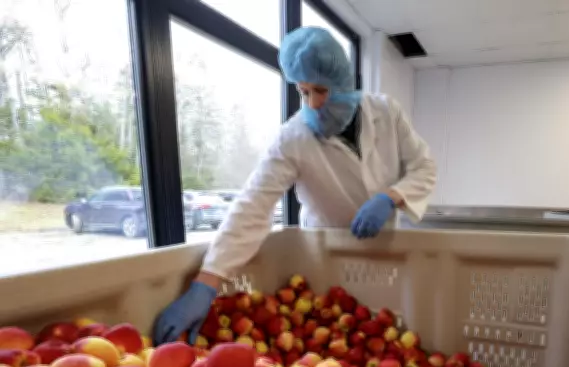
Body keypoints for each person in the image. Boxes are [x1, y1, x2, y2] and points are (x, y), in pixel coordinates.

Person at [153, 26, 437, 345]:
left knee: (385, 334)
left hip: (386, 250)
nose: (312, 103)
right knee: (332, 336)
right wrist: (207, 282)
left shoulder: (386, 112)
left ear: (342, 82)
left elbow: (423, 167)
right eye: (303, 92)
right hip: (326, 257)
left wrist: (391, 196)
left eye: (320, 90)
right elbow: (253, 205)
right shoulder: (293, 138)